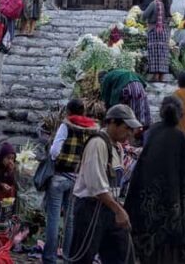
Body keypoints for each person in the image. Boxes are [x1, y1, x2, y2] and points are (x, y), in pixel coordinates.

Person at [125, 97, 185, 264]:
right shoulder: (179, 135)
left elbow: (142, 167)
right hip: (172, 206)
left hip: (149, 206)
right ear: (181, 113)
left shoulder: (153, 132)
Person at [68, 104, 140, 264]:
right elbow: (97, 186)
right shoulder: (97, 144)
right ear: (112, 122)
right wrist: (119, 210)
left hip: (109, 208)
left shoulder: (117, 147)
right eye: (126, 128)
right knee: (83, 258)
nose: (129, 133)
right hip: (91, 208)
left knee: (123, 257)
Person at [43, 99, 99, 264]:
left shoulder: (66, 126)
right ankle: (68, 257)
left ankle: (50, 258)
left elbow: (55, 150)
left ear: (68, 111)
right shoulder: (92, 130)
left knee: (53, 219)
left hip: (60, 176)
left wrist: (55, 158)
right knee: (70, 221)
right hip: (78, 179)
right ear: (83, 112)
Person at [142, 0, 170, 82]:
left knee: (154, 54)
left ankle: (156, 76)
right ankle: (162, 76)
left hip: (154, 30)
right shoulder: (166, 5)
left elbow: (145, 15)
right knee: (162, 54)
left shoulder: (154, 4)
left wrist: (142, 18)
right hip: (164, 31)